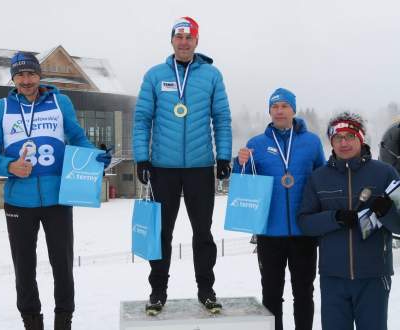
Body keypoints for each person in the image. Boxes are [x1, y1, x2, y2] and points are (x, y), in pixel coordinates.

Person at [0, 52, 111, 330]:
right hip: (18, 201)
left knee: (62, 266)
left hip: (57, 198)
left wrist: (94, 155)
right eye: (20, 75)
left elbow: (76, 136)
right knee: (24, 269)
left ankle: (64, 321)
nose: (26, 80)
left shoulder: (60, 102)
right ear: (13, 78)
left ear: (40, 76)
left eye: (31, 74)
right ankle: (32, 323)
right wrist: (9, 166)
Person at [132, 16, 232, 315]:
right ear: (172, 41)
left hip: (201, 167)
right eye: (179, 37)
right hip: (163, 167)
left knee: (203, 232)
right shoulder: (155, 75)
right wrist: (142, 157)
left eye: (190, 37)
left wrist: (223, 156)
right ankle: (157, 292)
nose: (184, 42)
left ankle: (206, 289)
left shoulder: (212, 75)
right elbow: (142, 120)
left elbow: (222, 119)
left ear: (197, 41)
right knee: (162, 233)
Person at [233, 88, 325, 330]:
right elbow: (244, 181)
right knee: (271, 293)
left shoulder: (312, 143)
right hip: (269, 232)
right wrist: (239, 162)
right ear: (270, 111)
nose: (280, 110)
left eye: (285, 105)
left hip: (303, 231)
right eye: (275, 106)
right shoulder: (257, 144)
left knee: (304, 292)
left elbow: (323, 181)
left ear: (294, 109)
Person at [298, 112, 400, 330]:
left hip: (373, 276)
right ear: (331, 142)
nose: (344, 143)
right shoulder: (318, 178)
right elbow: (305, 222)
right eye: (338, 138)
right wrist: (335, 218)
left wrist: (387, 211)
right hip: (333, 277)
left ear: (361, 138)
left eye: (350, 136)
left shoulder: (385, 173)